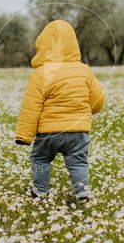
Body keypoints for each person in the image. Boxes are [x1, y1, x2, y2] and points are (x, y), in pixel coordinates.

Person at [14, 19, 106, 202]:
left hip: (48, 133)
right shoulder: (84, 71)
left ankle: (40, 192)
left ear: (43, 46)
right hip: (78, 132)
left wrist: (24, 136)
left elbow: (31, 107)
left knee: (40, 159)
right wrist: (86, 112)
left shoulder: (41, 74)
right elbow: (98, 100)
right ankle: (83, 194)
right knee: (78, 162)